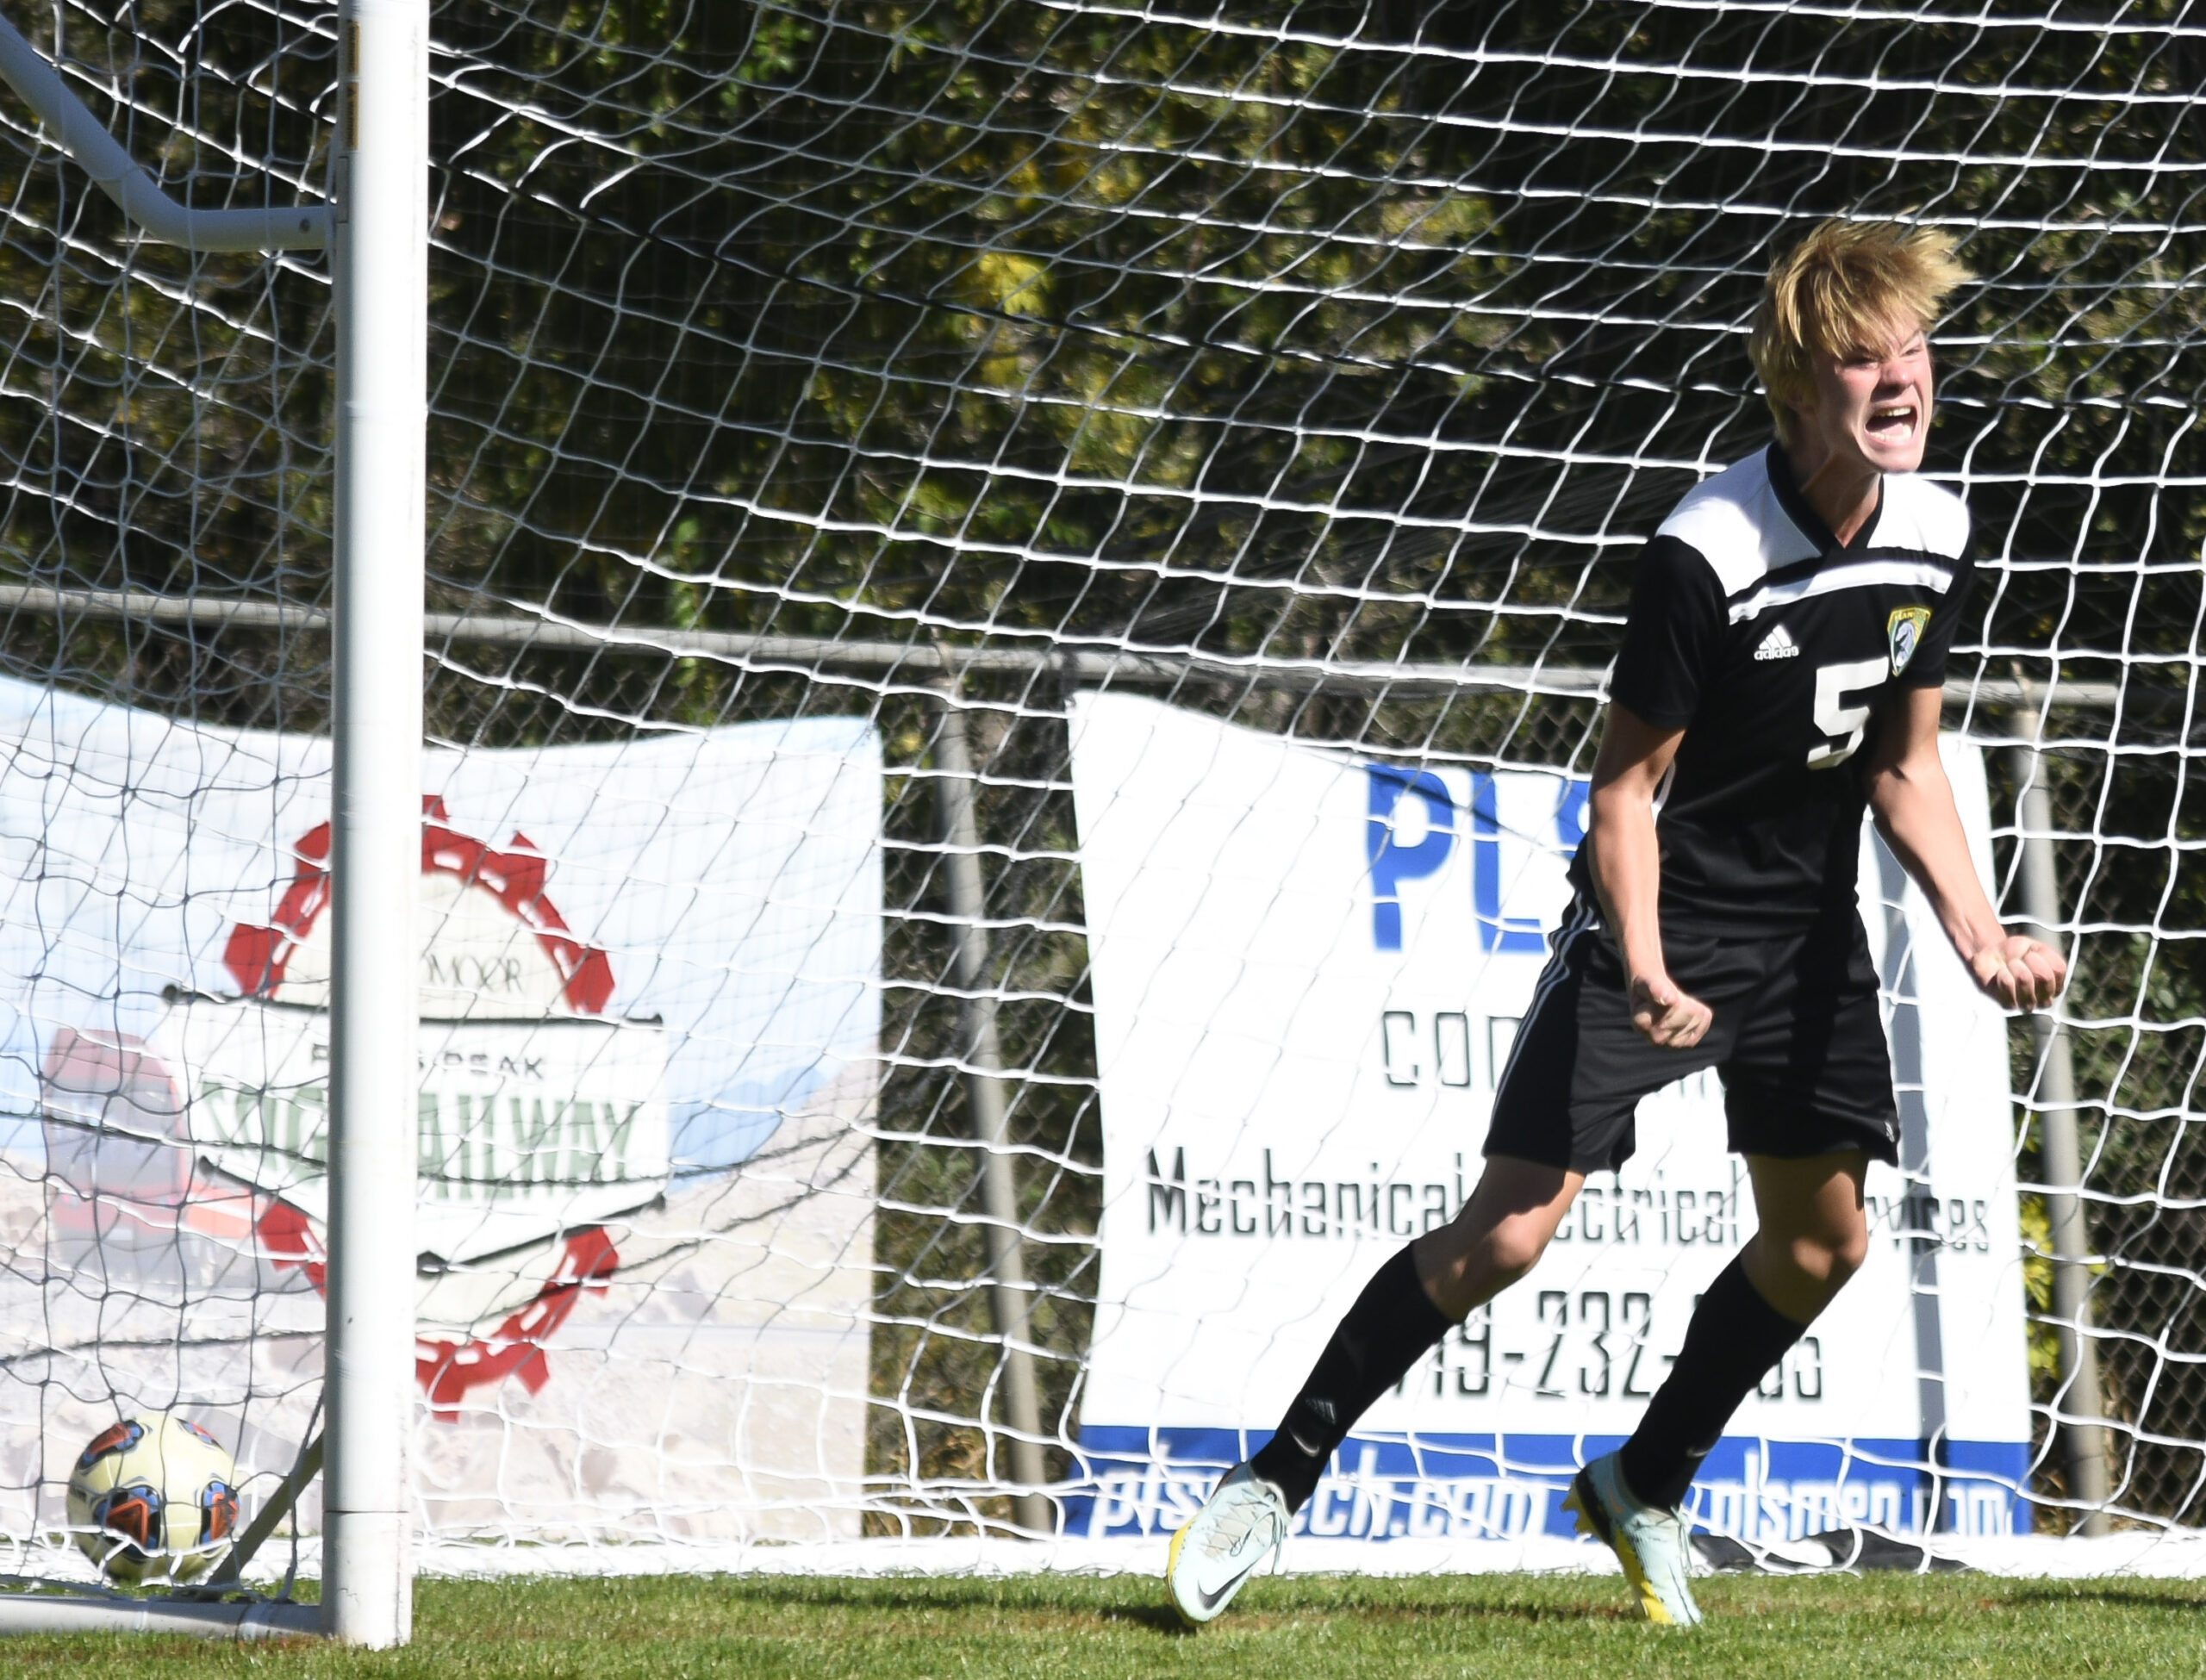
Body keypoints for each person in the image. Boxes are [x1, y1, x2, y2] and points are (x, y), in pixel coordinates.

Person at [1162, 218, 2066, 1629]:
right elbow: (1626, 791)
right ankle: (1277, 1476)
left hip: (1807, 935)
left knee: (1825, 1248)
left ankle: (1643, 1480)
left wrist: (1980, 928)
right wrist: (1644, 964)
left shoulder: (1937, 532)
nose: (1902, 381)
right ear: (1792, 383)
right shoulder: (1705, 549)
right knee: (1510, 1234)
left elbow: (1906, 763)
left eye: (1915, 349)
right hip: (1659, 918)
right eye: (1860, 357)